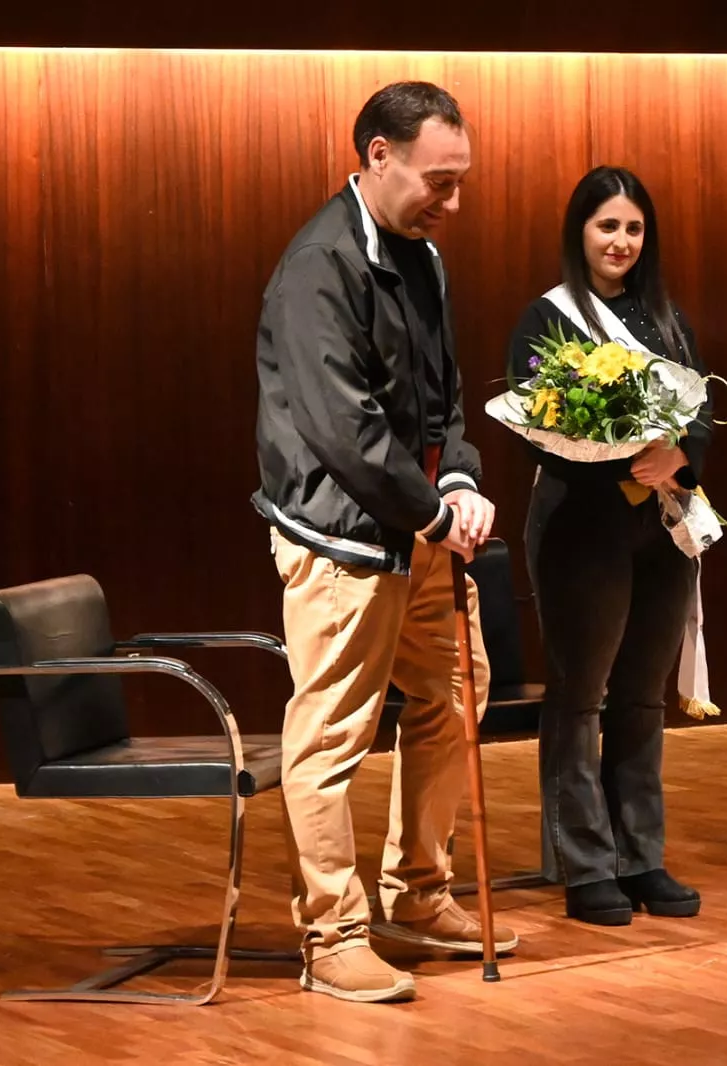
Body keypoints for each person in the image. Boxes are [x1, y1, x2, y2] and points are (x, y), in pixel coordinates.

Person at [253, 80, 514, 1003]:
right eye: (439, 181)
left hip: (418, 526)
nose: (453, 201)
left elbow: (444, 397)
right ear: (378, 156)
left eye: (460, 181)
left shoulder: (422, 256)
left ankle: (418, 892)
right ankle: (331, 938)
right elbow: (344, 429)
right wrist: (431, 509)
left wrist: (460, 479)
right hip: (343, 541)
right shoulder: (318, 266)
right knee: (330, 736)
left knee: (455, 694)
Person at [507, 166, 712, 926]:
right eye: (607, 227)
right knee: (580, 695)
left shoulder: (667, 317)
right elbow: (536, 428)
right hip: (580, 524)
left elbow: (702, 414)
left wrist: (679, 458)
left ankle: (641, 856)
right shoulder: (549, 317)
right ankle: (586, 864)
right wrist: (620, 459)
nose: (621, 241)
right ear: (580, 233)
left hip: (661, 522)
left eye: (633, 228)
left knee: (641, 696)